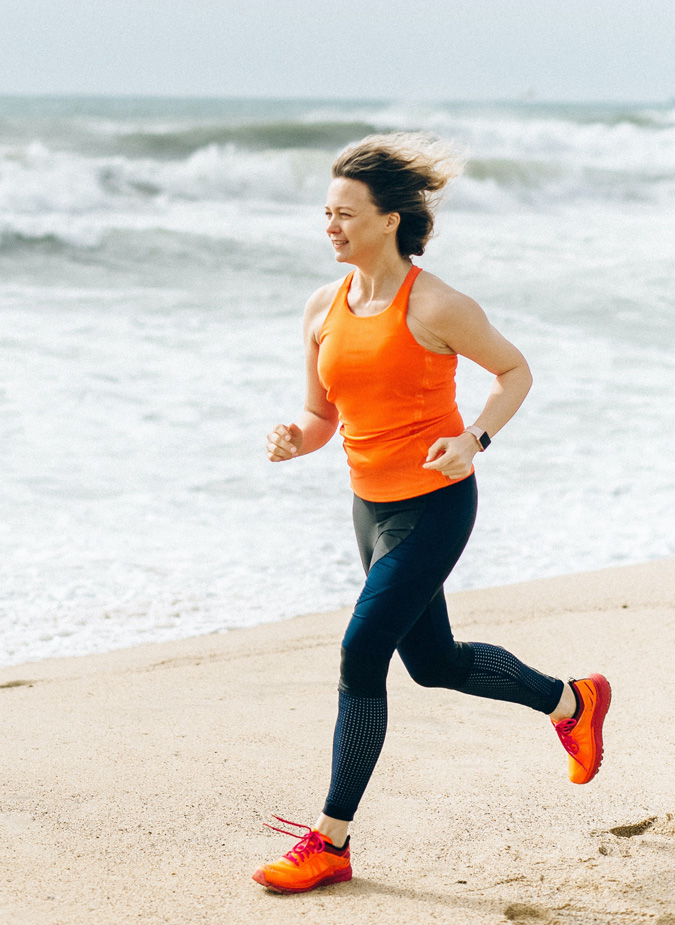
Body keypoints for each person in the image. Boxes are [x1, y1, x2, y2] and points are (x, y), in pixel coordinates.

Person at [255, 133, 611, 894]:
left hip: (436, 506)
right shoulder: (324, 306)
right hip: (370, 506)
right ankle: (573, 700)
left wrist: (475, 437)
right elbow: (322, 415)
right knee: (434, 662)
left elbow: (515, 371)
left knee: (362, 649)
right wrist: (297, 440)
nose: (331, 226)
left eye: (346, 213)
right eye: (326, 212)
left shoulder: (439, 304)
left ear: (389, 219)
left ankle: (331, 840)